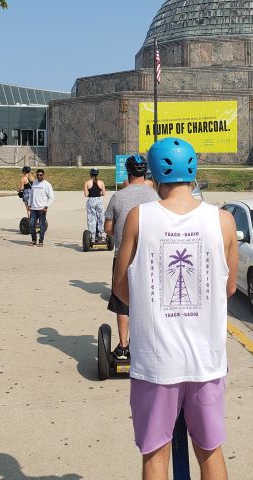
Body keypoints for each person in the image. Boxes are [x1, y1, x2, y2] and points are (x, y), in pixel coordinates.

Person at [113, 137, 238, 480]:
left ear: (153, 175)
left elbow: (120, 286)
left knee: (155, 455)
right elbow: (229, 287)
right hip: (206, 360)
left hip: (156, 362)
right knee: (210, 451)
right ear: (194, 170)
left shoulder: (141, 217)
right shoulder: (223, 220)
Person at [104, 154, 158, 361]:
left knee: (122, 302)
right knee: (147, 301)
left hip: (122, 258)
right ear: (145, 172)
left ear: (127, 172)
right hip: (149, 259)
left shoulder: (118, 197)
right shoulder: (155, 197)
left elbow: (108, 228)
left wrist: (120, 231)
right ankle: (144, 343)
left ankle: (123, 346)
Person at [29, 169, 54, 246]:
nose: (39, 176)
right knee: (31, 224)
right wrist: (30, 204)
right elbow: (31, 195)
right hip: (33, 209)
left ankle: (41, 241)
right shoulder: (34, 183)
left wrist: (46, 206)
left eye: (40, 175)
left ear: (43, 175)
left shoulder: (47, 184)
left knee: (42, 225)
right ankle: (33, 240)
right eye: (38, 175)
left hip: (42, 209)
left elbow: (51, 197)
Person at [83, 168, 107, 242]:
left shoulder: (87, 183)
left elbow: (86, 194)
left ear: (90, 174)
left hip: (91, 201)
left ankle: (92, 236)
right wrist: (98, 193)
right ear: (97, 174)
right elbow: (104, 193)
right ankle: (102, 235)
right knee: (101, 217)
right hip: (99, 201)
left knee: (92, 218)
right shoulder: (101, 182)